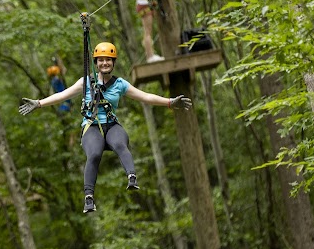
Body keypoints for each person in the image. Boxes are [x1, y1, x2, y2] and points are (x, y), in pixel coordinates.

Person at [18, 41, 192, 213]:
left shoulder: (120, 84)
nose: (104, 63)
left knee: (120, 144)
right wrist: (39, 103)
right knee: (94, 154)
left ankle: (131, 177)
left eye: (108, 59)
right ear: (96, 63)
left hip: (112, 125)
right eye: (100, 60)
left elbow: (145, 96)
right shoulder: (86, 82)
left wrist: (169, 102)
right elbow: (62, 95)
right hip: (91, 127)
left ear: (113, 62)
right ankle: (89, 198)